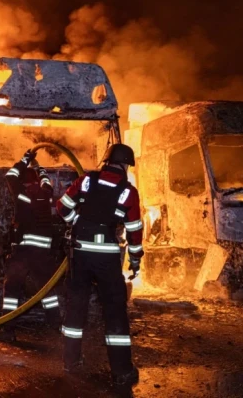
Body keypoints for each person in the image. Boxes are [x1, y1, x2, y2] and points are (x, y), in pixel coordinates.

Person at [55, 143, 142, 391]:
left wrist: (76, 222)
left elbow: (62, 207)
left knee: (76, 307)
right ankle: (122, 372)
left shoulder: (86, 180)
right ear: (125, 166)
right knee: (114, 312)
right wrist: (135, 259)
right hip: (107, 258)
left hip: (80, 254)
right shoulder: (128, 192)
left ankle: (71, 362)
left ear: (107, 160)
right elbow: (134, 229)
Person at [0, 148, 62, 343]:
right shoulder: (46, 193)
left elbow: (10, 175)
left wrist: (25, 158)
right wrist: (38, 167)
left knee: (12, 290)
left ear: (24, 181)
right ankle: (56, 326)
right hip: (43, 252)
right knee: (47, 290)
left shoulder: (22, 194)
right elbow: (46, 179)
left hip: (23, 251)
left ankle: (8, 330)